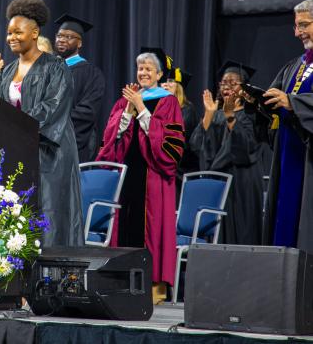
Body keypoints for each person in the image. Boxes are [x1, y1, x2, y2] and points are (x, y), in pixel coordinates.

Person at [0, 0, 83, 247]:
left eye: (18, 32)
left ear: (35, 32)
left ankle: (51, 278)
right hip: (17, 153)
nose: (12, 38)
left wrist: (14, 126)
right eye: (9, 33)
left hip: (49, 154)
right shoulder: (7, 72)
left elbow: (52, 108)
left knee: (49, 215)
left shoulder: (56, 67)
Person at [96, 48, 184, 303]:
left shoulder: (168, 101)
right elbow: (112, 136)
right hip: (127, 175)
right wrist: (127, 112)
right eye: (140, 68)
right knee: (123, 225)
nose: (143, 73)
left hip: (153, 176)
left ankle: (152, 286)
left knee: (152, 228)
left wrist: (141, 109)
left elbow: (171, 145)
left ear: (158, 73)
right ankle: (121, 281)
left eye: (148, 69)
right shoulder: (127, 100)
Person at [190, 60, 265, 246]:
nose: (226, 87)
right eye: (224, 82)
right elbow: (197, 145)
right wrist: (208, 114)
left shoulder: (253, 114)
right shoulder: (215, 114)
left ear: (243, 88)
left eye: (233, 83)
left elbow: (246, 148)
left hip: (242, 182)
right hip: (220, 181)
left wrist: (231, 117)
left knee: (242, 231)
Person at [261, 0, 313, 252]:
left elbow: (290, 101)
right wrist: (256, 103)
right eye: (296, 26)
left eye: (304, 25)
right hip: (288, 152)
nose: (298, 32)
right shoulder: (295, 65)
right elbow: (274, 102)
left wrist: (293, 103)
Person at [54, 14, 106, 162]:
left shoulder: (92, 74)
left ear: (79, 43)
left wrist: (53, 129)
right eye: (59, 35)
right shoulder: (47, 70)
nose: (62, 40)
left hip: (70, 148)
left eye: (69, 37)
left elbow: (86, 113)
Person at [162, 67, 199, 199]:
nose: (166, 84)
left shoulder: (187, 110)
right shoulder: (164, 108)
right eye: (165, 81)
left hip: (182, 169)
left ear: (179, 87)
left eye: (171, 81)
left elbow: (178, 139)